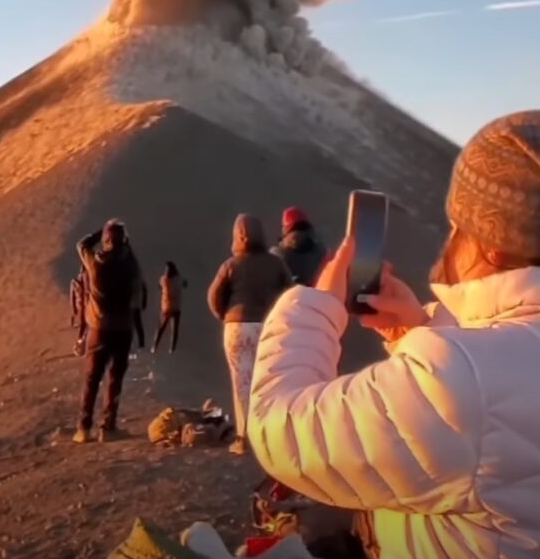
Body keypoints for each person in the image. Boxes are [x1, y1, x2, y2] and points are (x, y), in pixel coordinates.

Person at [248, 110, 540, 558]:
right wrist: (420, 331)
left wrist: (318, 305)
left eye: (459, 226)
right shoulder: (476, 372)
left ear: (491, 242)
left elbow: (276, 427)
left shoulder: (465, 382)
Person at [208, 214, 293, 455]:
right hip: (267, 326)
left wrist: (226, 315)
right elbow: (290, 291)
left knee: (241, 382)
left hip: (236, 327)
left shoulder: (231, 265)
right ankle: (271, 436)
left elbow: (214, 296)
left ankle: (244, 438)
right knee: (269, 380)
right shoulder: (275, 263)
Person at [73, 219, 142, 444]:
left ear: (106, 240)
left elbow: (82, 245)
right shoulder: (129, 265)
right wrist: (125, 244)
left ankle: (83, 428)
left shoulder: (96, 263)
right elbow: (137, 279)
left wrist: (99, 231)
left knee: (92, 378)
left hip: (99, 329)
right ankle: (108, 427)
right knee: (115, 379)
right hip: (123, 329)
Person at [270, 207, 327, 287]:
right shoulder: (322, 252)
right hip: (320, 296)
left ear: (285, 229)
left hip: (291, 298)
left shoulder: (277, 256)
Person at [152, 261, 187, 354]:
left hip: (172, 307)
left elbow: (184, 283)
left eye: (167, 270)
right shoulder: (167, 279)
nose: (166, 272)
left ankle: (170, 348)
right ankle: (156, 346)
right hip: (168, 307)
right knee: (162, 328)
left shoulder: (171, 279)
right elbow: (185, 283)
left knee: (172, 329)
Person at [69, 265, 88, 356]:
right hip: (85, 307)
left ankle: (81, 344)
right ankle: (81, 345)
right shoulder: (84, 283)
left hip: (81, 306)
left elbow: (72, 297)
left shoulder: (75, 283)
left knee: (84, 326)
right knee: (84, 326)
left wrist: (74, 310)